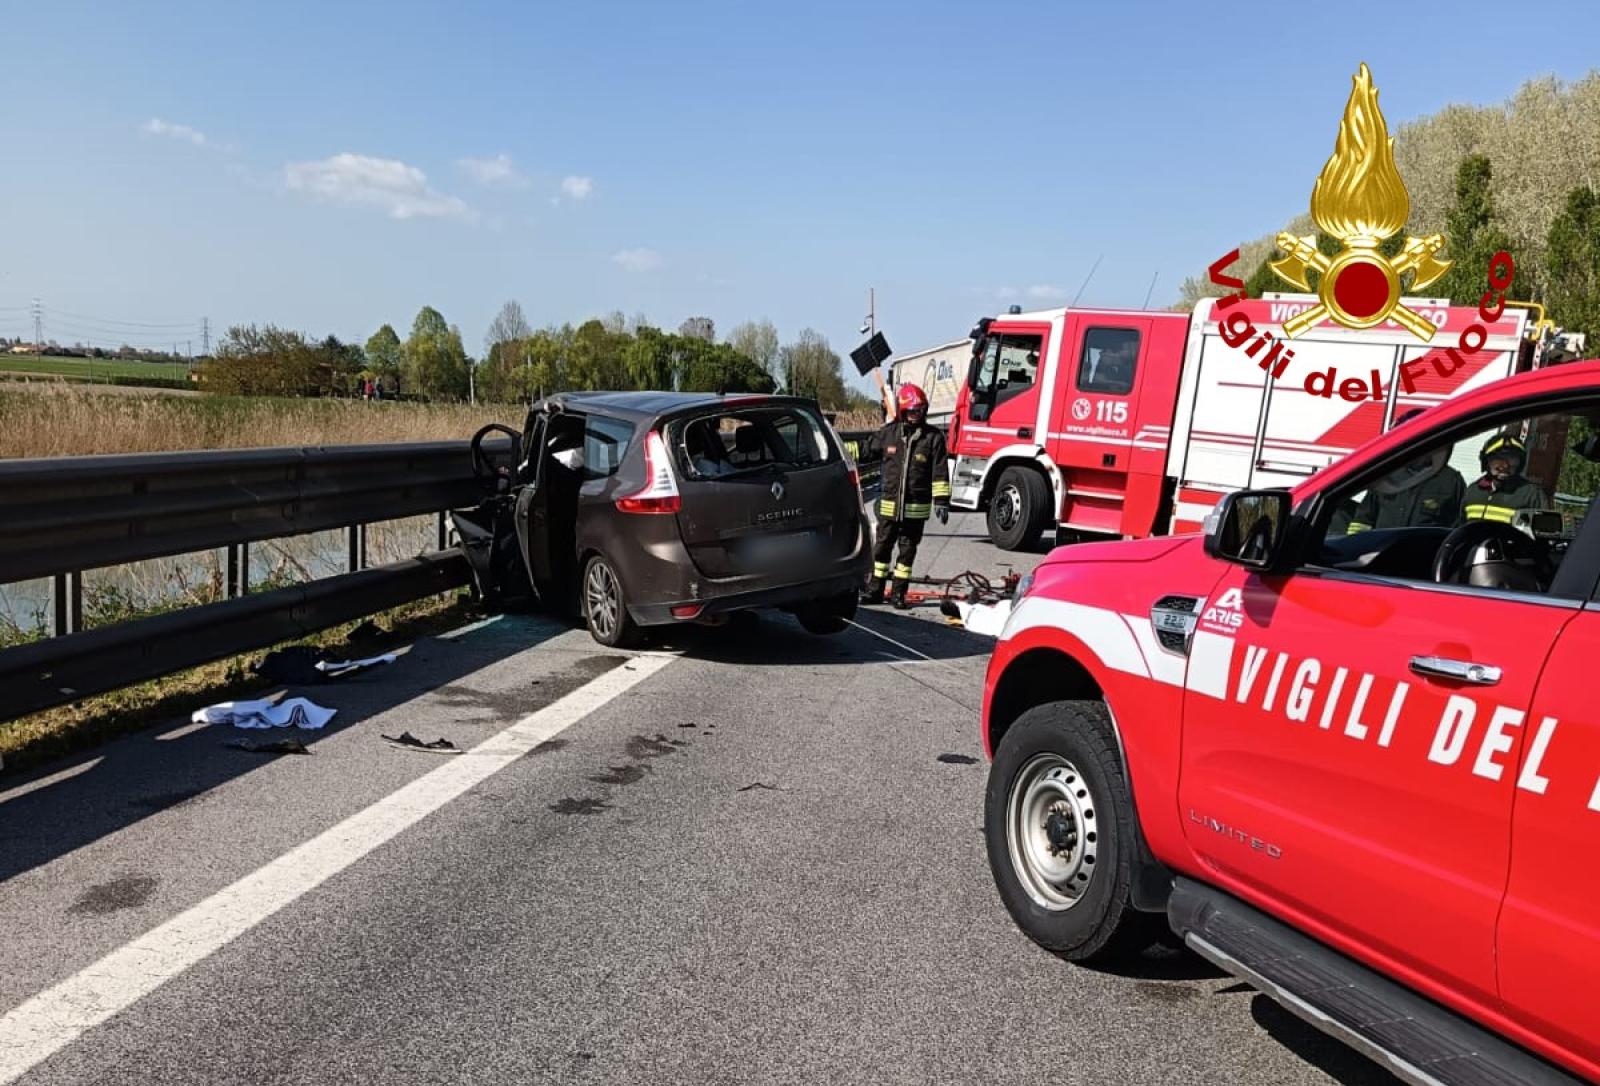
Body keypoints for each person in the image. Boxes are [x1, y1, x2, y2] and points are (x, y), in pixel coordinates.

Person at [847, 383, 951, 609]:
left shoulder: (933, 438)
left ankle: (898, 595)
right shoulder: (889, 434)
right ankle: (874, 591)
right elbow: (865, 450)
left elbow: (940, 471)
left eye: (920, 410)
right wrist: (841, 449)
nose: (917, 415)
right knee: (881, 551)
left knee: (906, 555)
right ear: (903, 411)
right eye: (912, 411)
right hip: (889, 508)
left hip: (915, 510)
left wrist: (942, 501)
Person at [1347, 446, 1465, 532]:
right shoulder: (1386, 475)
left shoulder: (1451, 481)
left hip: (1423, 562)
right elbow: (1363, 521)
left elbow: (1457, 528)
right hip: (1379, 558)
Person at [1462, 433, 1545, 524]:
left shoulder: (1530, 495)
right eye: (1498, 460)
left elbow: (1544, 530)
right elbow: (1460, 529)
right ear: (1486, 462)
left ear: (1520, 464)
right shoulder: (1473, 491)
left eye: (1512, 460)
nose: (1505, 466)